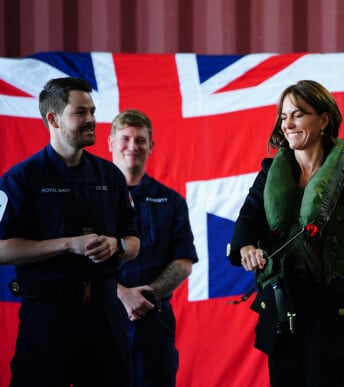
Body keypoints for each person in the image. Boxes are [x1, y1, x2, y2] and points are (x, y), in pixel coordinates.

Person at [227, 79, 344, 387]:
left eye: (298, 114)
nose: (287, 123)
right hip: (281, 308)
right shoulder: (268, 173)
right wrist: (246, 247)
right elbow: (247, 222)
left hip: (329, 312)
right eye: (283, 115)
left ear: (324, 120)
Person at [0, 77, 140, 386]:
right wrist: (67, 245)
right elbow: (2, 249)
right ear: (53, 119)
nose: (91, 119)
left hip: (104, 317)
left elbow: (133, 242)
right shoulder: (21, 178)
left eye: (92, 111)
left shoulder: (110, 176)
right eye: (80, 112)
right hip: (48, 317)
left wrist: (115, 244)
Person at [108, 109, 198, 387]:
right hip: (104, 317)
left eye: (141, 140)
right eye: (125, 139)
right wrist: (121, 294)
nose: (133, 147)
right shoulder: (93, 198)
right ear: (110, 143)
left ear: (151, 146)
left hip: (154, 320)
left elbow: (183, 262)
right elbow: (79, 259)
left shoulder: (171, 201)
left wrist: (144, 299)